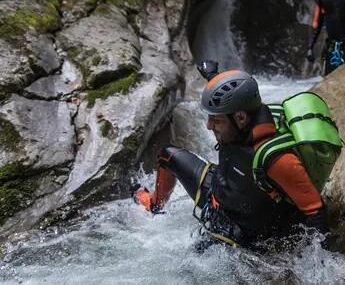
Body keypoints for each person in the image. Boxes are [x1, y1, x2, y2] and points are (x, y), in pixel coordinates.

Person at [132, 62, 329, 250]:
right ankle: (154, 204)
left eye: (215, 120)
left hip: (242, 234)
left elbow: (315, 211)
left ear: (241, 118)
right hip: (219, 193)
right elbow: (231, 93)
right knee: (168, 156)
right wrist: (212, 76)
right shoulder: (238, 119)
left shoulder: (277, 159)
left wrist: (320, 265)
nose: (209, 126)